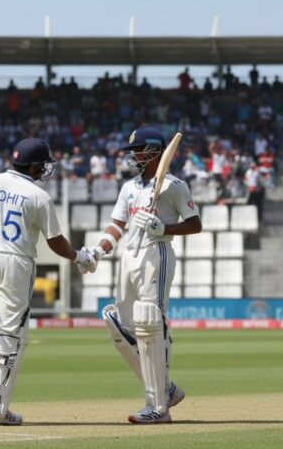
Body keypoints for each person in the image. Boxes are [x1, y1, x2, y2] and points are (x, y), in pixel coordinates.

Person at [0, 137, 96, 426]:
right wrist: (80, 257)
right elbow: (55, 242)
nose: (45, 169)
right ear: (34, 165)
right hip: (16, 263)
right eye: (43, 164)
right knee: (10, 335)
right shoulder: (37, 195)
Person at [83, 126, 202, 424]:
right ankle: (165, 388)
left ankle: (158, 406)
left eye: (136, 151)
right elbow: (117, 226)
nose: (131, 156)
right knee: (118, 324)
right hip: (129, 257)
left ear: (151, 152)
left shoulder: (174, 186)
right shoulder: (129, 188)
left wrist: (164, 228)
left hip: (156, 255)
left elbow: (194, 224)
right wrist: (98, 250)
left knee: (150, 323)